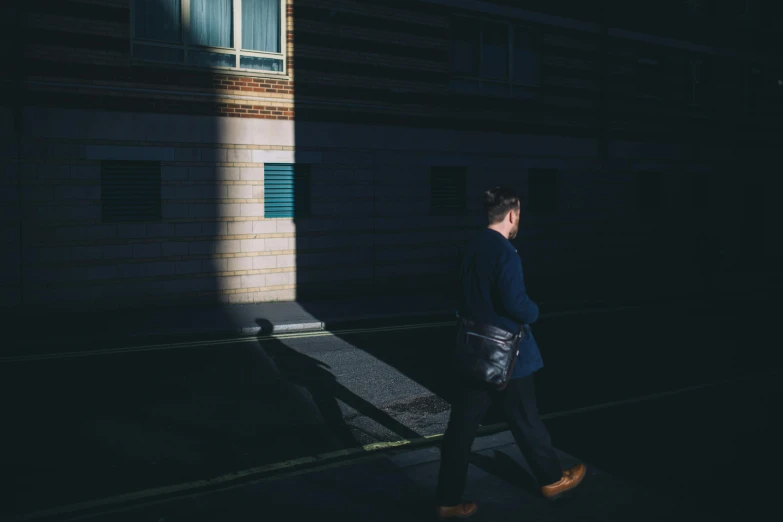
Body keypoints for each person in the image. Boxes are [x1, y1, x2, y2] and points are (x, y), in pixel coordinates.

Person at [434, 186, 586, 519]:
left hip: (474, 352)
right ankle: (551, 481)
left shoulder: (470, 247)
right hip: (507, 354)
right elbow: (517, 305)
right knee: (527, 421)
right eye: (520, 215)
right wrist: (535, 311)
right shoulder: (505, 252)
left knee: (461, 430)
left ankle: (447, 501)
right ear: (513, 214)